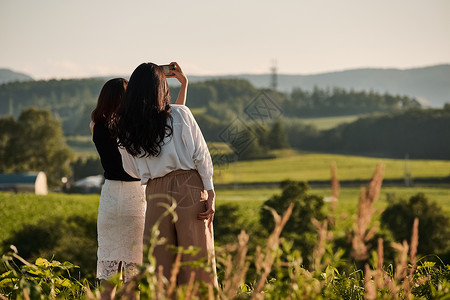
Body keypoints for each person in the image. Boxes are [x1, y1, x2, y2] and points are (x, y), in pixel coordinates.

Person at [115, 62, 217, 287]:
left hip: (154, 192)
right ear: (161, 87)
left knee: (160, 266)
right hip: (189, 186)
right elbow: (200, 154)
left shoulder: (126, 129)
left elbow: (130, 169)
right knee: (197, 259)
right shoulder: (180, 114)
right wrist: (210, 191)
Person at [91, 63, 188, 298]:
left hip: (110, 199)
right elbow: (173, 120)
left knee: (109, 272)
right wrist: (179, 83)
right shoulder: (132, 130)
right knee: (132, 276)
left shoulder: (96, 126)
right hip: (136, 198)